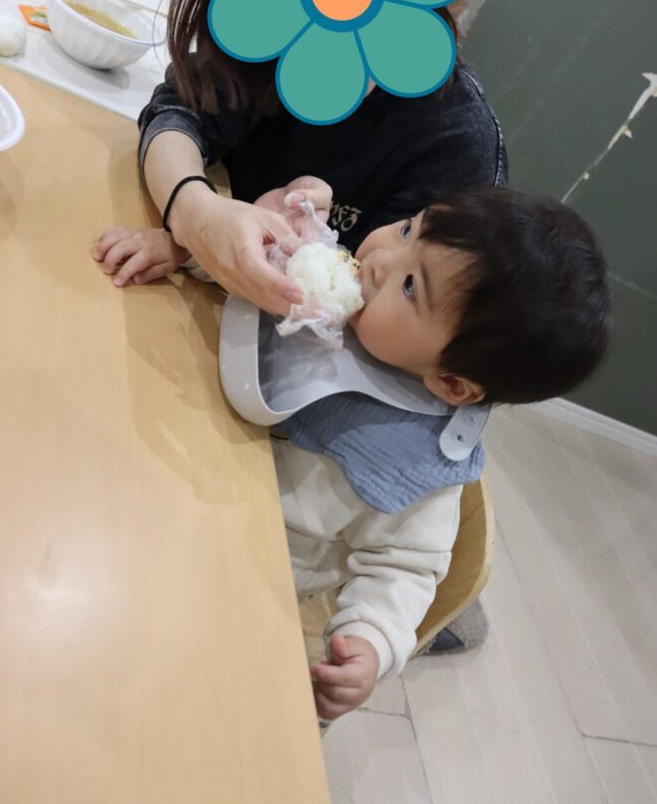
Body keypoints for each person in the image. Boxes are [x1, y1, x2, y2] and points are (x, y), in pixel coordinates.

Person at [92, 182, 611, 721]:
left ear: (452, 383)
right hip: (163, 456)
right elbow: (252, 273)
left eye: (410, 286)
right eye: (408, 228)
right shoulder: (339, 292)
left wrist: (370, 645)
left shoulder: (419, 469)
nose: (380, 257)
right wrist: (186, 252)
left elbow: (404, 572)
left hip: (230, 575)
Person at [101, 0, 507, 316]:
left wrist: (287, 252)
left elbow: (405, 320)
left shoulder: (454, 140)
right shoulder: (265, 36)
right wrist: (195, 218)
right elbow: (179, 113)